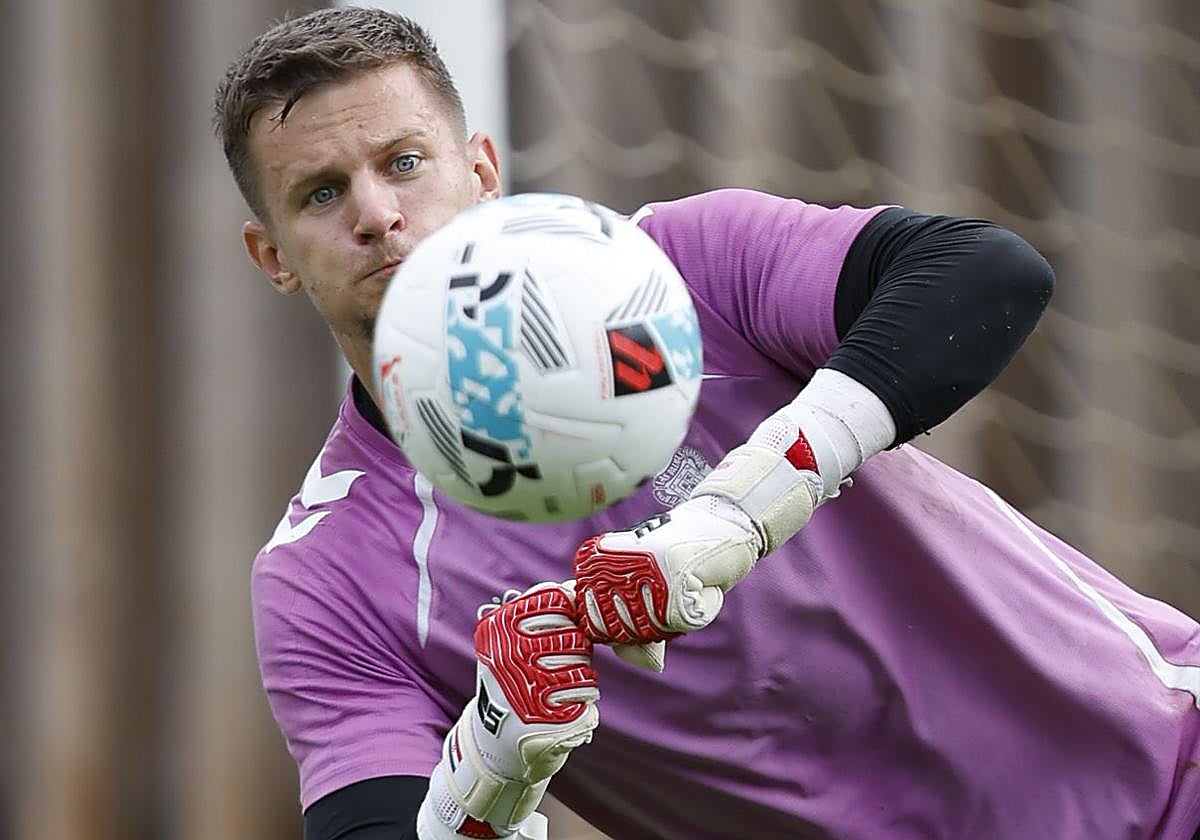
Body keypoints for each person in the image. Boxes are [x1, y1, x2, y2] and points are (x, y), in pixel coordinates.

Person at [215, 7, 1200, 839]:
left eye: (404, 161)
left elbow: (982, 273)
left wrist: (736, 514)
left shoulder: (679, 270)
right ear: (273, 256)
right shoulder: (327, 577)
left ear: (480, 170)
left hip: (1168, 769)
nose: (380, 213)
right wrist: (490, 763)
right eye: (323, 192)